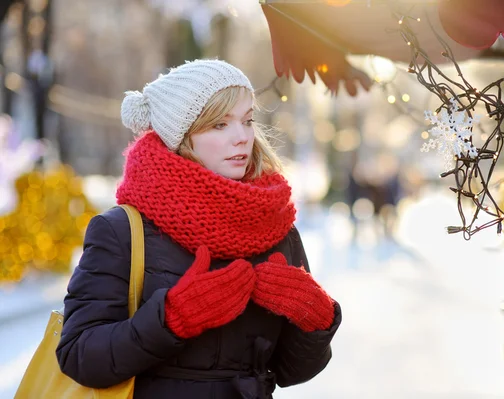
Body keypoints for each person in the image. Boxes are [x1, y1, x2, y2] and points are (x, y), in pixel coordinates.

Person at [56, 59, 342, 399]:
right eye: (220, 125)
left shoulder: (277, 226)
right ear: (181, 137)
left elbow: (291, 371)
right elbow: (78, 354)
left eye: (247, 121)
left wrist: (317, 319)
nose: (242, 138)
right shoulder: (121, 230)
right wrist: (171, 319)